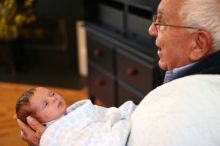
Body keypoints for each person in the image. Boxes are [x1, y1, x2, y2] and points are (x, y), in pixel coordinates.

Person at [15, 0, 220, 145]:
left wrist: (48, 140)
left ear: (198, 44)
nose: (151, 30)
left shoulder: (182, 115)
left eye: (161, 22)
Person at [16, 87, 136, 146]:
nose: (53, 98)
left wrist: (113, 114)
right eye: (45, 104)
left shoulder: (72, 113)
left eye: (51, 94)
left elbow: (96, 114)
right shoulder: (57, 133)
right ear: (37, 122)